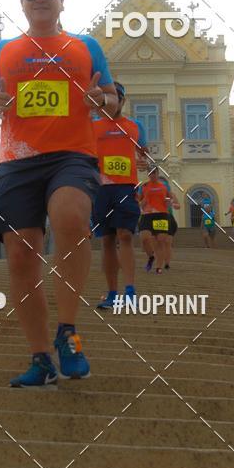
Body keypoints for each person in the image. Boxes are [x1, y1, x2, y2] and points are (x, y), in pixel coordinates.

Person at [0, 0, 117, 387]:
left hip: (71, 155)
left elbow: (112, 101)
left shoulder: (86, 46)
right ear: (21, 1)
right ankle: (41, 360)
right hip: (16, 162)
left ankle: (68, 331)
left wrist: (102, 98)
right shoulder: (2, 50)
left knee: (71, 216)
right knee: (22, 255)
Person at [92, 81, 147, 309]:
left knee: (125, 235)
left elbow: (143, 153)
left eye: (117, 97)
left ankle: (130, 291)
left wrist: (142, 161)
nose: (112, 101)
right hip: (101, 189)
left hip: (126, 187)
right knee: (107, 240)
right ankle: (113, 292)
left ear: (122, 101)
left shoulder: (135, 126)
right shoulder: (92, 126)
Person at [137, 166, 175, 274]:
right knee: (144, 238)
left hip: (161, 214)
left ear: (158, 174)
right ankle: (151, 256)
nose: (152, 175)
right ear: (148, 174)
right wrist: (141, 203)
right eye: (150, 173)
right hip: (147, 214)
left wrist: (169, 202)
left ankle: (159, 267)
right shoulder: (144, 186)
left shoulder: (165, 185)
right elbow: (138, 200)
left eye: (154, 173)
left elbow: (170, 197)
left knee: (160, 241)